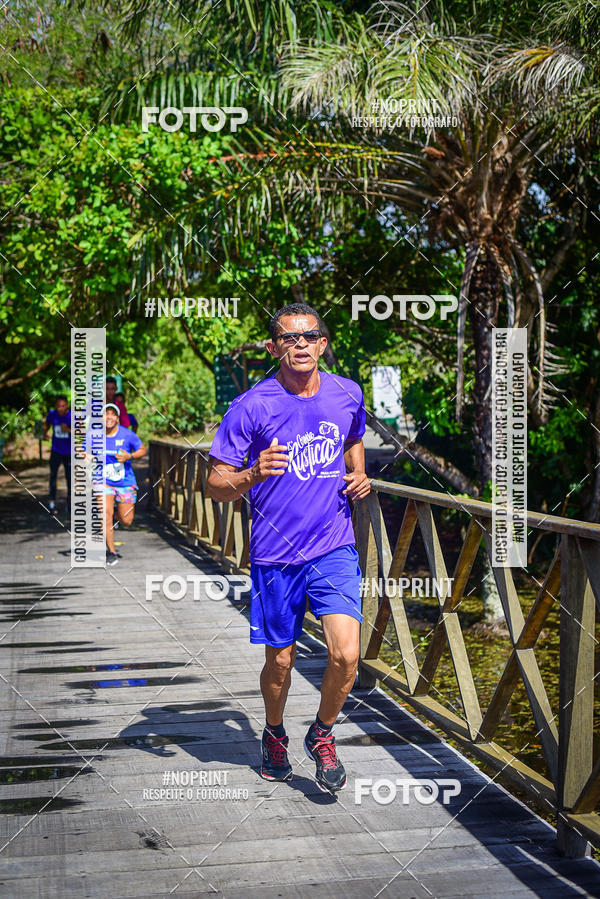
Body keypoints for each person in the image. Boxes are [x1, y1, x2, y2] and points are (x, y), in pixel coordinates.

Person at [207, 303, 371, 794]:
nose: (300, 344)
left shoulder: (348, 392)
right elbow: (215, 485)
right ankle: (274, 733)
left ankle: (321, 735)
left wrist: (359, 473)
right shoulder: (251, 406)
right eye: (289, 338)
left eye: (310, 336)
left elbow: (353, 437)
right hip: (275, 554)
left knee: (346, 655)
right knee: (280, 660)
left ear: (323, 343)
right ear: (273, 347)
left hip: (333, 545)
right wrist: (253, 473)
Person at [97, 403, 146, 566]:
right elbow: (84, 451)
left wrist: (129, 456)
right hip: (103, 481)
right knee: (105, 515)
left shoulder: (127, 434)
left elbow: (142, 450)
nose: (109, 417)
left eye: (112, 414)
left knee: (127, 520)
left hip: (125, 482)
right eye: (106, 414)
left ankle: (118, 513)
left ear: (117, 418)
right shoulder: (94, 435)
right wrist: (86, 456)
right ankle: (111, 551)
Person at [43, 394, 71, 515]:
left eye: (63, 406)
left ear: (67, 406)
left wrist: (68, 430)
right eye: (59, 406)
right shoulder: (52, 415)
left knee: (69, 478)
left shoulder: (72, 416)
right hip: (56, 451)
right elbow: (46, 425)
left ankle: (70, 504)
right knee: (53, 476)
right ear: (56, 406)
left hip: (69, 452)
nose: (61, 408)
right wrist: (44, 433)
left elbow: (82, 433)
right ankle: (52, 503)